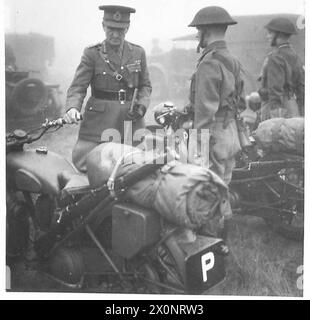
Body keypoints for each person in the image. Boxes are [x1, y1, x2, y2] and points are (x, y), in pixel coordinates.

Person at [64, 5, 152, 172]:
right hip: (100, 121)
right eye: (111, 28)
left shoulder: (138, 53)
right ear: (103, 26)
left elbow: (145, 85)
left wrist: (141, 106)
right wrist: (73, 107)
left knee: (134, 165)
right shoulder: (92, 53)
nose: (115, 34)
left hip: (130, 118)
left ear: (128, 28)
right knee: (91, 165)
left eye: (121, 29)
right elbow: (78, 86)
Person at [187, 6, 245, 186]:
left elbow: (205, 110)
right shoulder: (233, 60)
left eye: (198, 30)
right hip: (232, 133)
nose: (197, 35)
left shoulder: (209, 62)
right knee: (223, 188)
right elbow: (241, 103)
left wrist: (199, 146)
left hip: (213, 135)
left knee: (206, 191)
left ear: (207, 30)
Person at [258, 17, 304, 120]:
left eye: (270, 33)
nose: (267, 36)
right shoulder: (295, 56)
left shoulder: (275, 57)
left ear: (279, 34)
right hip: (293, 107)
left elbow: (275, 89)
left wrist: (275, 116)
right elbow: (301, 87)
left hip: (276, 108)